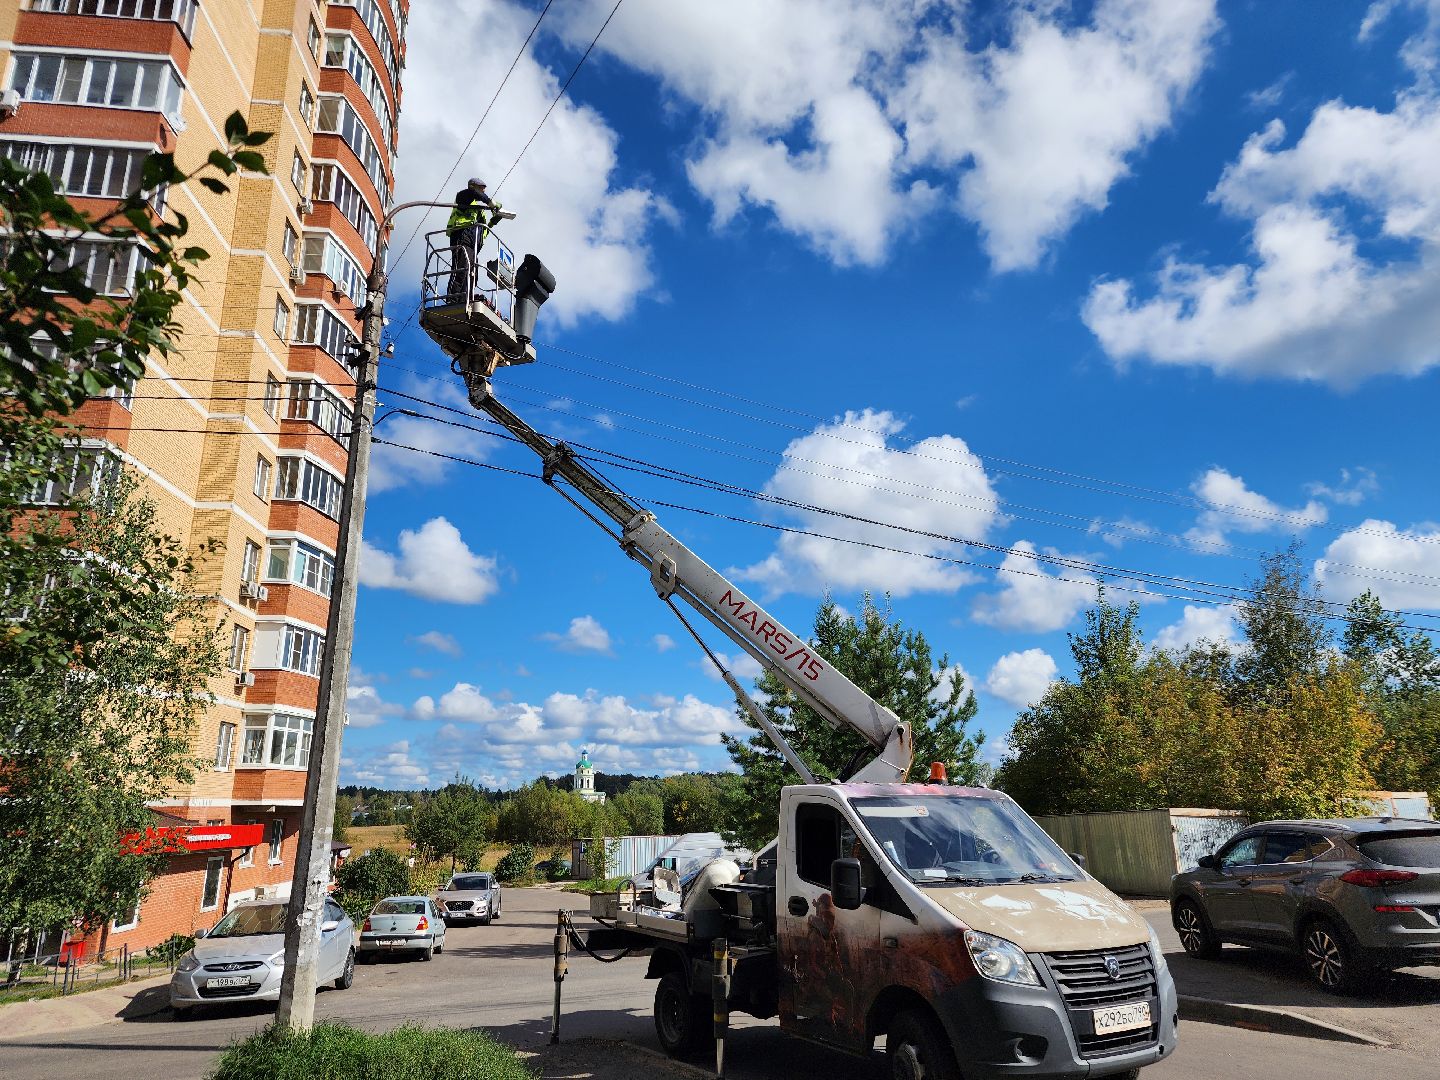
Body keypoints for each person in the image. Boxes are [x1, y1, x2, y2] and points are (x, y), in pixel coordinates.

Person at [445, 178, 494, 303]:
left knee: (472, 273)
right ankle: (453, 298)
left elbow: (483, 231)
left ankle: (466, 299)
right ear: (473, 186)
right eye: (481, 189)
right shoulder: (463, 196)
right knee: (460, 268)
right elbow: (473, 193)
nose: (483, 192)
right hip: (461, 236)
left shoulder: (478, 210)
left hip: (473, 244)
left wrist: (494, 221)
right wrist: (490, 202)